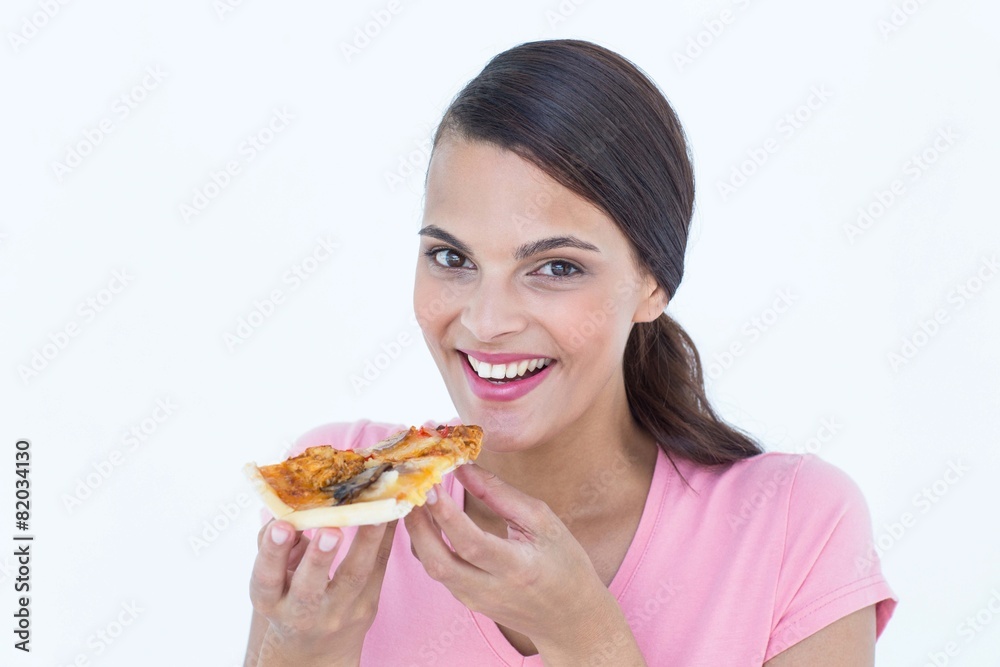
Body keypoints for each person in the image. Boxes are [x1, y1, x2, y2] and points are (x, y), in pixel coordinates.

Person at [244, 38, 897, 666]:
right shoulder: (343, 495)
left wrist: (585, 637)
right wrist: (307, 656)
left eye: (555, 267)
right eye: (451, 257)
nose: (486, 320)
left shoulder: (792, 525)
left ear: (653, 281)